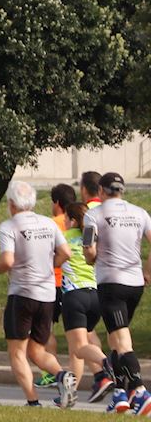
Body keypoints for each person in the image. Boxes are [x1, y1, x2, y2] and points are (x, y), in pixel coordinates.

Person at [0, 180, 75, 409]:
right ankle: (61, 375)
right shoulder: (48, 223)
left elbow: (7, 260)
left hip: (22, 293)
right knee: (36, 350)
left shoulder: (9, 226)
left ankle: (32, 401)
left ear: (11, 203)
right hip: (47, 294)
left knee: (17, 351)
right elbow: (65, 253)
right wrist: (50, 267)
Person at [83, 170, 151, 413]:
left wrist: (91, 257)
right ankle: (120, 394)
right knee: (115, 337)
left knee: (122, 341)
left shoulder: (93, 214)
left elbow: (89, 250)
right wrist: (148, 271)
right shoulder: (140, 213)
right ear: (122, 190)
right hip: (135, 284)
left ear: (101, 191)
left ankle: (140, 391)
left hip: (111, 283)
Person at [58, 199, 115, 402]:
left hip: (75, 296)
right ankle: (71, 394)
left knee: (80, 348)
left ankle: (106, 365)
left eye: (65, 218)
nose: (63, 221)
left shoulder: (64, 238)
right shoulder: (92, 239)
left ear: (72, 220)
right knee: (79, 347)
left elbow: (54, 257)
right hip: (96, 296)